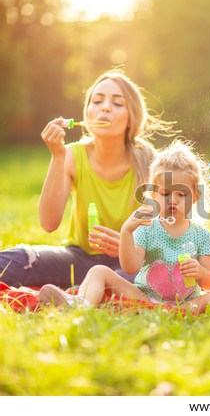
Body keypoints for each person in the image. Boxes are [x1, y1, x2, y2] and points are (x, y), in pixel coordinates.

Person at [0, 69, 176, 289]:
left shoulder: (151, 160)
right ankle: (90, 292)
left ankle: (84, 295)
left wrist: (129, 246)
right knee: (19, 259)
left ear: (132, 116)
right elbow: (48, 223)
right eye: (97, 101)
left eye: (117, 103)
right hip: (78, 260)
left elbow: (171, 229)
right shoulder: (71, 155)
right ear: (87, 112)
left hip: (132, 263)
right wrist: (57, 157)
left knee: (158, 274)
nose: (105, 107)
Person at [38, 141, 210, 314]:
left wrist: (200, 272)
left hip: (187, 303)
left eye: (181, 195)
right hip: (146, 299)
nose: (173, 200)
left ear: (195, 197)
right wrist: (126, 232)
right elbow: (130, 267)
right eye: (165, 194)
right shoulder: (146, 228)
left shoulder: (201, 234)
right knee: (99, 271)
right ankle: (80, 305)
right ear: (154, 196)